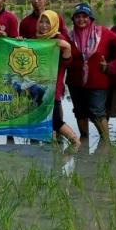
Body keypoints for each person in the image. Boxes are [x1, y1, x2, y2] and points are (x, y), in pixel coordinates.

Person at [66, 3, 116, 140]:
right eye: (77, 17)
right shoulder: (68, 37)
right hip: (75, 82)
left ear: (91, 19)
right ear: (73, 19)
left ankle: (105, 143)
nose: (81, 19)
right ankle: (84, 139)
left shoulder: (102, 32)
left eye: (84, 16)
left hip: (98, 81)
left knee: (97, 112)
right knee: (80, 112)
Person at [36, 10, 80, 146]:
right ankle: (54, 148)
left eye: (47, 23)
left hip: (53, 87)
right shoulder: (38, 39)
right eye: (41, 22)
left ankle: (75, 142)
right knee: (47, 119)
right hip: (39, 86)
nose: (43, 26)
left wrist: (66, 48)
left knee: (55, 120)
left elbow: (67, 62)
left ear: (54, 24)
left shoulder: (59, 39)